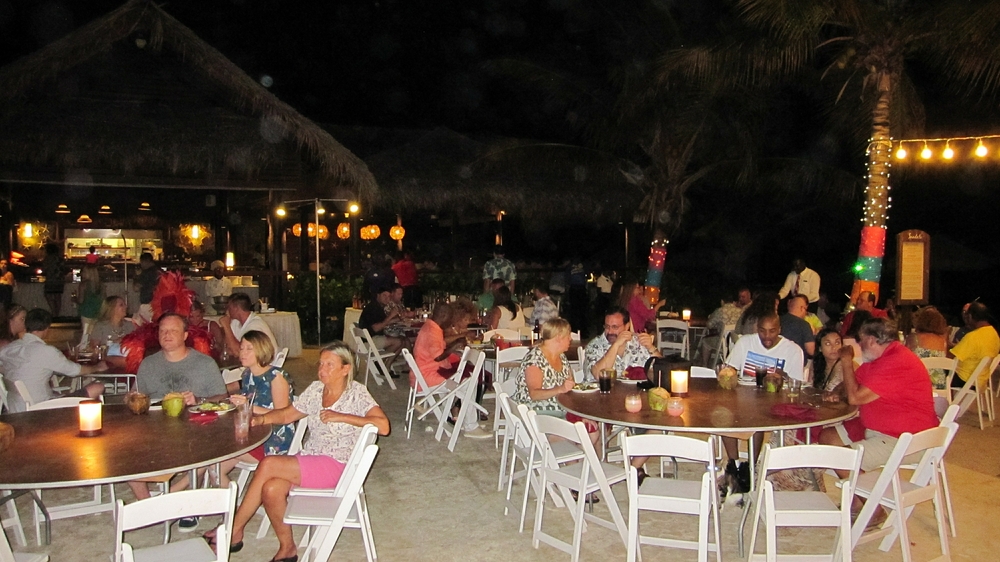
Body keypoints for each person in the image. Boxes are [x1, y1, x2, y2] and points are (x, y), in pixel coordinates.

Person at [205, 342, 389, 561]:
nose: (322, 369)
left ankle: (234, 529)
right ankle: (287, 548)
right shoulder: (315, 389)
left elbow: (383, 426)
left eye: (330, 365)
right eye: (321, 363)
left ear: (345, 369)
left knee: (269, 464)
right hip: (311, 458)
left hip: (338, 464)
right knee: (272, 488)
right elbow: (286, 415)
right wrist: (262, 419)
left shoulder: (356, 393)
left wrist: (343, 417)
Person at [174, 330, 295, 497]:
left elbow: (283, 416)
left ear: (261, 350)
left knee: (212, 453)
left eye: (248, 349)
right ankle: (233, 508)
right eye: (242, 348)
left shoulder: (277, 377)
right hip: (250, 432)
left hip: (272, 439)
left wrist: (249, 407)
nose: (242, 353)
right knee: (213, 466)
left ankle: (174, 492)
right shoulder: (247, 375)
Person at [128, 314, 228, 501]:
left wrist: (198, 399)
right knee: (124, 453)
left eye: (173, 330)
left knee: (204, 452)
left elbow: (223, 397)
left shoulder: (204, 364)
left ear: (184, 335)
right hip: (155, 429)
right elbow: (137, 396)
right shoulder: (148, 364)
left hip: (194, 429)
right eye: (163, 330)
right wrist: (132, 399)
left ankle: (179, 498)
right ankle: (148, 504)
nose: (167, 334)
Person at [819, 318, 938, 475]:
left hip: (905, 439)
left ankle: (872, 500)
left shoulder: (897, 361)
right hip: (880, 428)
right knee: (828, 437)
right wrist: (837, 392)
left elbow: (855, 398)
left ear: (871, 340)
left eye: (860, 341)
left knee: (841, 459)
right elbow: (855, 379)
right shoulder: (880, 358)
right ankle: (856, 497)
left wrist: (846, 361)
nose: (859, 346)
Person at [722, 313, 804, 492]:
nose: (767, 336)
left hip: (774, 401)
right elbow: (730, 369)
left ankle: (750, 466)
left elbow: (797, 387)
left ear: (780, 330)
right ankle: (734, 465)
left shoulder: (792, 350)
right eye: (762, 331)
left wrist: (782, 376)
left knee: (756, 417)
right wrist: (725, 374)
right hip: (744, 397)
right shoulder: (745, 343)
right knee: (725, 412)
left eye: (772, 331)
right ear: (756, 329)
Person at [409, 302, 492, 438]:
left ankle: (450, 412)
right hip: (428, 377)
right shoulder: (433, 331)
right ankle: (471, 426)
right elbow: (438, 357)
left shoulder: (430, 326)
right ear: (444, 315)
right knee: (468, 382)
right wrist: (455, 345)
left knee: (466, 376)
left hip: (424, 374)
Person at [0, 308, 106, 412]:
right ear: (46, 328)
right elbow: (74, 371)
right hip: (38, 408)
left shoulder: (10, 348)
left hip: (16, 407)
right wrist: (97, 367)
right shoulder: (45, 350)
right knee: (98, 387)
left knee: (59, 393)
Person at [584, 307, 662, 380]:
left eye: (615, 327)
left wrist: (651, 348)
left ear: (627, 326)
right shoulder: (594, 346)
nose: (610, 331)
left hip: (635, 392)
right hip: (602, 393)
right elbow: (599, 375)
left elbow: (661, 371)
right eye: (607, 327)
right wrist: (616, 345)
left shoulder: (637, 342)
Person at [948, 302, 1000, 389]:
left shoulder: (973, 337)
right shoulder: (993, 333)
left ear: (971, 316)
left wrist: (945, 339)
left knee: (937, 371)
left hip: (965, 380)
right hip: (980, 380)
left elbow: (950, 357)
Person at [699, 288, 751, 365]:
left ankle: (704, 365)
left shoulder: (720, 310)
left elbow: (709, 325)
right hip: (735, 342)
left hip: (723, 342)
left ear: (722, 301)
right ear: (733, 302)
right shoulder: (741, 311)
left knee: (705, 341)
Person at [219, 292, 277, 358]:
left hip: (264, 365)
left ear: (236, 308)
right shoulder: (235, 322)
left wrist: (226, 326)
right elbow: (226, 348)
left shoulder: (255, 325)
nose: (227, 310)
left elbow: (240, 353)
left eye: (229, 307)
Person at [357, 286, 405, 363]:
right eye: (384, 295)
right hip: (369, 340)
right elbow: (376, 328)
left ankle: (386, 367)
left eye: (389, 296)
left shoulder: (379, 307)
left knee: (403, 340)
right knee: (398, 342)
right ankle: (380, 363)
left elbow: (382, 323)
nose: (387, 298)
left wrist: (398, 319)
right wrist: (390, 316)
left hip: (374, 337)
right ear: (378, 295)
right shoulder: (373, 308)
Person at [905, 306, 950, 389]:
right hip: (939, 384)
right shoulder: (943, 341)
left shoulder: (914, 338)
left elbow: (904, 359)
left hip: (917, 383)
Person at [780, 295, 815, 360]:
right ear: (802, 308)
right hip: (796, 363)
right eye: (805, 309)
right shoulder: (804, 325)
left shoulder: (778, 320)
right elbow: (811, 350)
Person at [133, 252, 161, 325]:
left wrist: (137, 276)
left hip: (147, 303)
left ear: (145, 261)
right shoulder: (159, 271)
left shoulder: (146, 273)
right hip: (158, 304)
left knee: (142, 325)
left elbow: (136, 288)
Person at [76, 264, 104, 335]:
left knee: (86, 334)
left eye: (84, 272)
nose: (82, 273)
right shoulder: (100, 285)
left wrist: (74, 299)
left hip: (86, 311)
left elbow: (80, 300)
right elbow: (103, 298)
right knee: (96, 334)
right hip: (98, 311)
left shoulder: (83, 285)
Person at [41, 242, 65, 318]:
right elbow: (64, 269)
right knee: (58, 296)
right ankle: (57, 314)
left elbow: (44, 269)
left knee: (48, 295)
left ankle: (54, 312)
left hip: (51, 279)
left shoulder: (47, 259)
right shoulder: (60, 258)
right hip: (59, 280)